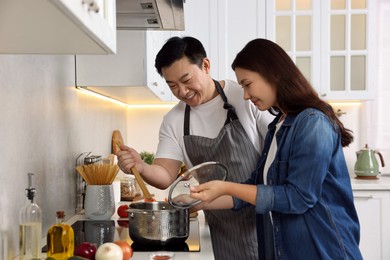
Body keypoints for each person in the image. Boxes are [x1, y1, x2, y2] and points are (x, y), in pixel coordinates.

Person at [189, 38, 363, 260]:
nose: (245, 95)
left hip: (324, 251)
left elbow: (298, 197)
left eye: (247, 84)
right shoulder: (277, 126)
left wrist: (225, 186)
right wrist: (200, 201)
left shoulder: (312, 123)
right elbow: (254, 189)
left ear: (273, 74)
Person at [116, 36, 275, 260]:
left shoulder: (247, 97)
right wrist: (140, 166)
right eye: (172, 85)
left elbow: (278, 156)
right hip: (223, 229)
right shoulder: (174, 120)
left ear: (206, 66)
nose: (182, 91)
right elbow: (164, 175)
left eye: (186, 79)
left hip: (265, 219)